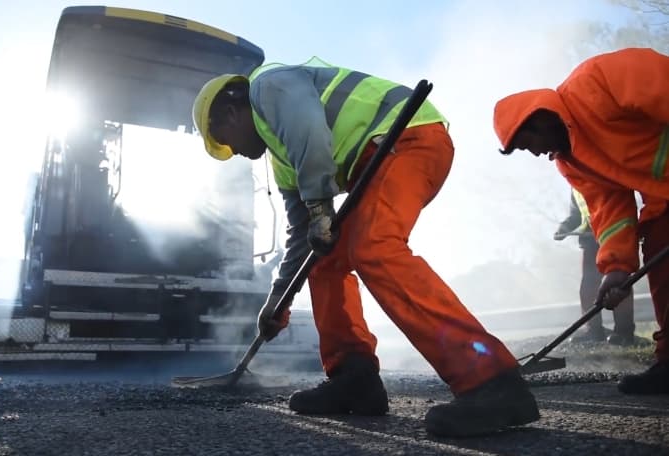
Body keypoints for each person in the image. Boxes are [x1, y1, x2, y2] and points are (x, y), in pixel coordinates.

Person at [192, 57, 539, 437]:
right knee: (322, 259)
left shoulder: (267, 86)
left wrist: (321, 207)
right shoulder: (282, 160)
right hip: (375, 158)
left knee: (373, 246)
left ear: (229, 111)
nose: (235, 152)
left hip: (407, 137)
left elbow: (308, 128)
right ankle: (353, 377)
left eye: (225, 141)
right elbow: (302, 234)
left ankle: (492, 382)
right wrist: (278, 299)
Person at [493, 47, 669, 395]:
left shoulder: (597, 80)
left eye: (531, 144)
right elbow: (610, 208)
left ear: (539, 117)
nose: (538, 155)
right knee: (660, 253)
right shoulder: (571, 161)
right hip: (663, 200)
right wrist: (616, 267)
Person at [554, 188, 636, 345]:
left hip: (613, 234)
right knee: (588, 288)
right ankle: (594, 331)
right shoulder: (574, 184)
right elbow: (577, 215)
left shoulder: (599, 166)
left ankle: (624, 332)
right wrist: (564, 227)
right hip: (590, 240)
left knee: (618, 283)